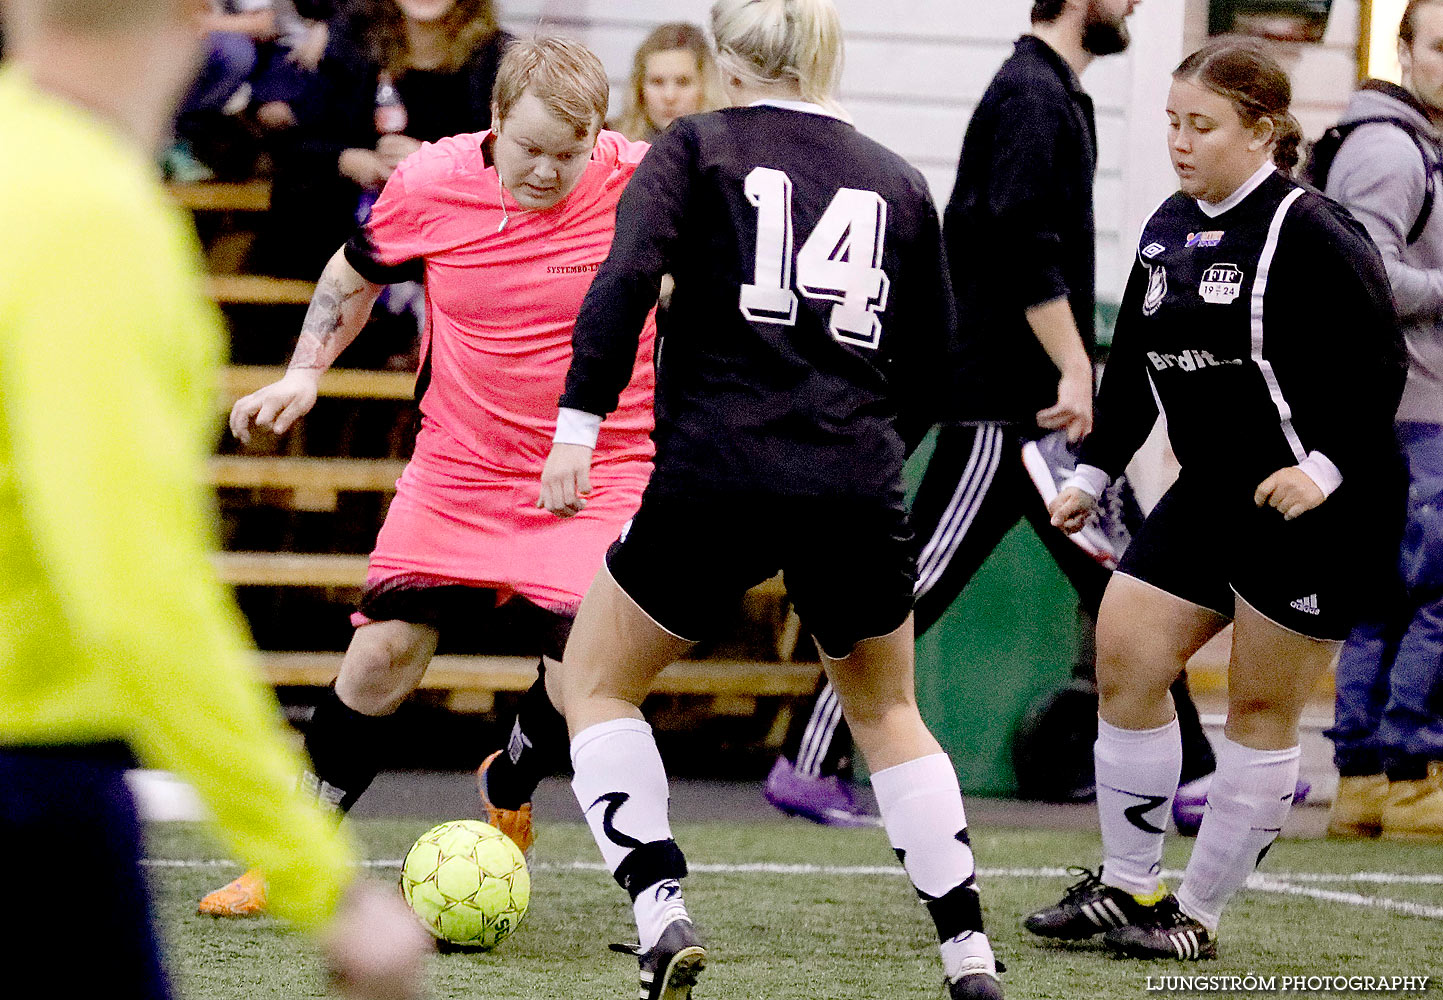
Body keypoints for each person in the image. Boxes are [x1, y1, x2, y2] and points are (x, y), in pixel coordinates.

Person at [540, 1, 1003, 997]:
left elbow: (624, 281)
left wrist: (576, 427)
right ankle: (967, 947)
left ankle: (659, 905)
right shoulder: (897, 177)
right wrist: (863, 452)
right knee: (887, 711)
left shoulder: (697, 146)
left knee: (598, 682)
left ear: (727, 57)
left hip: (717, 469)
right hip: (854, 477)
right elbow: (935, 367)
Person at [0, 1, 430, 997]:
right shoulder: (95, 222)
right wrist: (322, 882)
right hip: (29, 784)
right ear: (201, 17)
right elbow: (137, 594)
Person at [198, 35, 660, 919]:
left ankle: (512, 775)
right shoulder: (430, 183)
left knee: (585, 679)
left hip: (598, 470)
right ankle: (293, 855)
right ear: (493, 122)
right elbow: (352, 274)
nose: (548, 172)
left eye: (571, 153)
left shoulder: (639, 181)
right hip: (459, 468)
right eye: (529, 149)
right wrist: (304, 372)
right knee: (381, 654)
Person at [765, 0, 1241, 831]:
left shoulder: (1055, 92)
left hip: (1036, 402)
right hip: (1001, 405)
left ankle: (1196, 774)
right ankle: (807, 765)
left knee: (1121, 579)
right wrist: (1071, 364)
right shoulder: (1029, 93)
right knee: (918, 586)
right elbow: (1021, 239)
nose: (1131, 4)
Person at [1025, 38, 1406, 960]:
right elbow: (1140, 371)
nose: (1178, 142)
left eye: (1201, 126)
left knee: (1257, 712)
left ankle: (1193, 914)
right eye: (1169, 122)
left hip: (1317, 506)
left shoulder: (1311, 231)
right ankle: (1125, 886)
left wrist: (1321, 469)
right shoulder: (1166, 226)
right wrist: (1092, 471)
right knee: (1125, 652)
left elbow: (1378, 368)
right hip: (1210, 491)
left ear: (1263, 132)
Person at [1316, 0, 1443, 842]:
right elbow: (1361, 279)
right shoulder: (1389, 148)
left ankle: (1365, 784)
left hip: (1399, 412)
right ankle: (1409, 778)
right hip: (1410, 413)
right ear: (1404, 51)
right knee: (1429, 599)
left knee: (1384, 601)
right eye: (1441, 45)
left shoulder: (1406, 145)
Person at [261, 0, 510, 277]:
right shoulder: (352, 42)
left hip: (449, 231)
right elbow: (298, 141)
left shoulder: (497, 57)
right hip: (345, 224)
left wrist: (437, 162)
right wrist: (348, 160)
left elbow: (516, 160)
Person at [610, 21, 721, 143]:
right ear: (639, 88)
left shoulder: (731, 150)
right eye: (657, 82)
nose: (669, 96)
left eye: (682, 82)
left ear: (706, 86)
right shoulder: (608, 146)